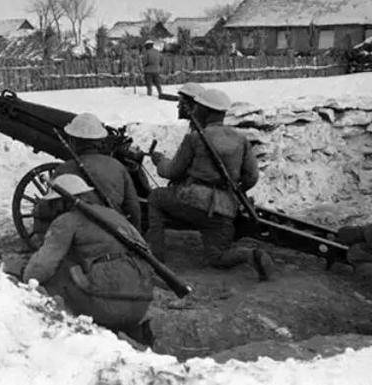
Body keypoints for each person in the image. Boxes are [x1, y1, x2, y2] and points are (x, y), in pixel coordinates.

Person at [144, 88, 274, 280]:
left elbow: (171, 172)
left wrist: (159, 160)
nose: (194, 110)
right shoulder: (240, 139)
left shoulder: (195, 138)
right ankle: (250, 255)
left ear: (205, 111)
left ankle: (155, 257)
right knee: (217, 257)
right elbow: (251, 177)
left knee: (155, 198)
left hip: (192, 201)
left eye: (197, 108)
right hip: (224, 209)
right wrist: (232, 191)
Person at [23, 174, 156, 339]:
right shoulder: (113, 215)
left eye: (54, 202)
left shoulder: (67, 220)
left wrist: (23, 280)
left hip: (105, 306)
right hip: (140, 305)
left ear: (62, 201)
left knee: (59, 268)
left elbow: (41, 267)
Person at [52, 112, 142, 229]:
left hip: (75, 238)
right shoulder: (117, 166)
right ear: (100, 142)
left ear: (72, 141)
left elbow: (49, 213)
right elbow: (133, 208)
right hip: (114, 235)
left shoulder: (62, 171)